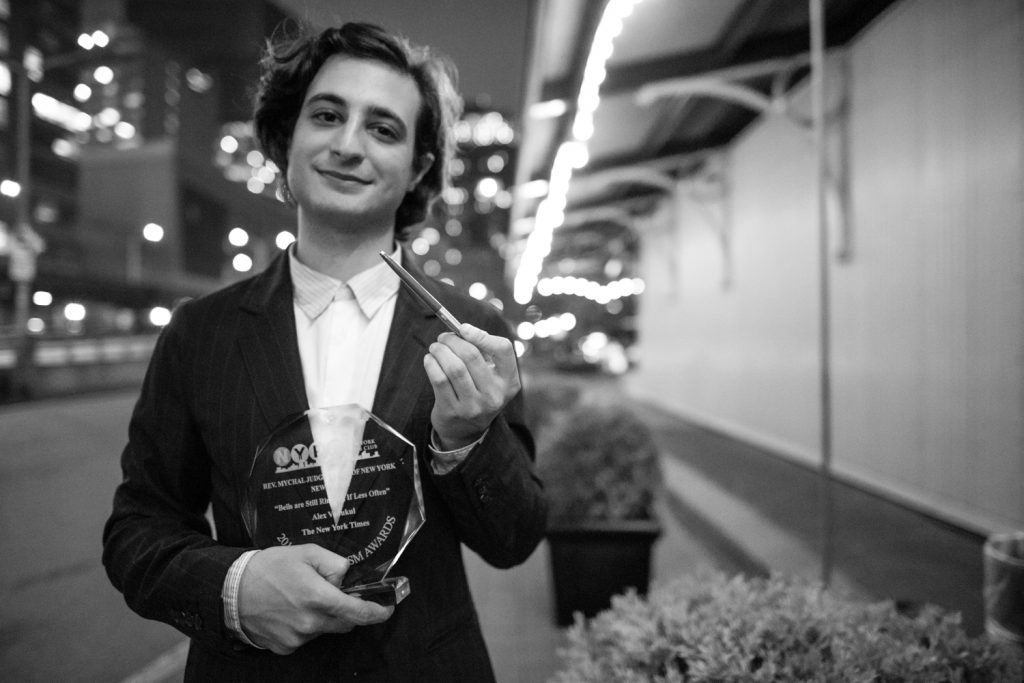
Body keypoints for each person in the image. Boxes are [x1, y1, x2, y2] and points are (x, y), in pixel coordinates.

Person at [102, 21, 547, 682]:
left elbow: (514, 539)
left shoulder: (472, 328)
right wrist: (235, 585)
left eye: (383, 128)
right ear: (288, 137)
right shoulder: (202, 332)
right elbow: (137, 529)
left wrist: (467, 439)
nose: (347, 144)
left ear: (419, 167)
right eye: (328, 115)